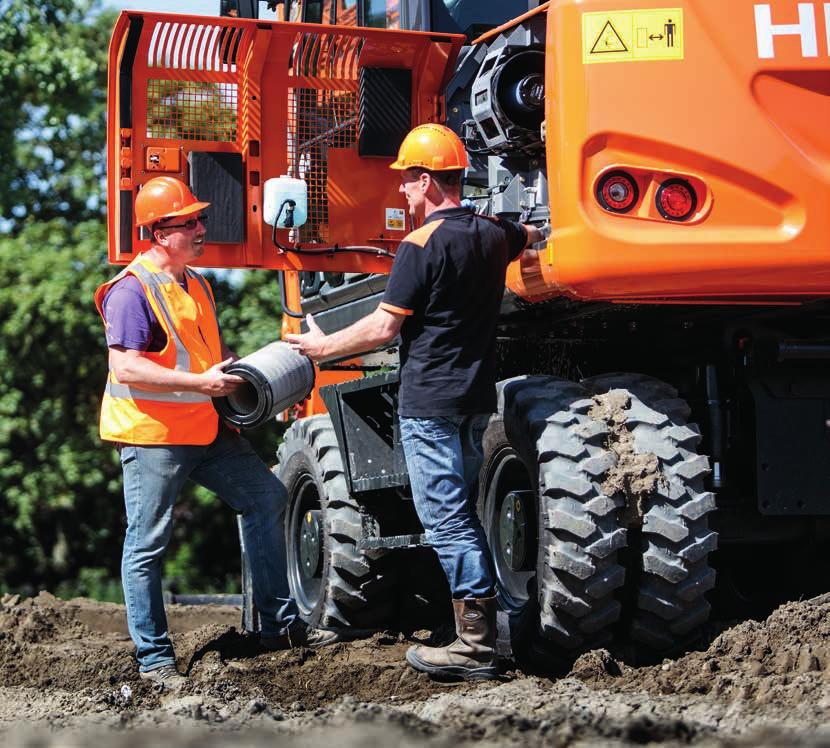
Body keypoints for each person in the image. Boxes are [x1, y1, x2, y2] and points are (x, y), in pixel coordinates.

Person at [286, 124, 546, 681]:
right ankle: (486, 631)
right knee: (467, 516)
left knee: (446, 520)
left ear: (427, 181)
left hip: (428, 402)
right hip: (475, 401)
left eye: (406, 180)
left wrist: (320, 346)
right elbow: (526, 231)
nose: (402, 190)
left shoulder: (419, 247)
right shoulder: (491, 235)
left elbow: (383, 327)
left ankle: (474, 646)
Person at [95, 176, 333, 690]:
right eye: (190, 222)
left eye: (199, 218)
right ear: (159, 232)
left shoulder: (196, 282)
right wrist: (201, 382)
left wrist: (231, 385)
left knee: (266, 497)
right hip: (153, 436)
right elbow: (128, 368)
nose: (202, 228)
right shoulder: (131, 290)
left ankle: (277, 627)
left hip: (205, 427)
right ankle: (155, 660)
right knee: (147, 544)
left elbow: (198, 359)